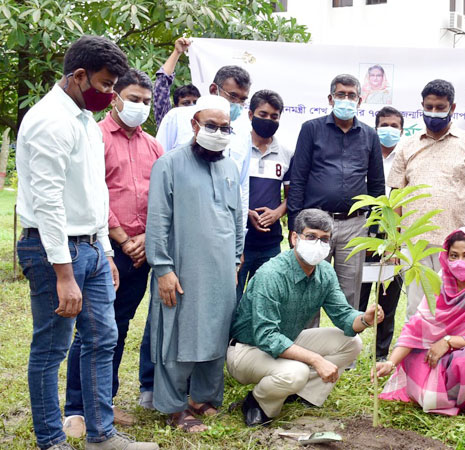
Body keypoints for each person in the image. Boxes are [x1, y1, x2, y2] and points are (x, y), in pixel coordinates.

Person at [16, 35, 158, 450]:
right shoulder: (49, 121)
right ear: (79, 76)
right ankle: (51, 440)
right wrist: (64, 273)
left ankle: (102, 434)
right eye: (105, 83)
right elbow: (48, 202)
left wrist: (105, 252)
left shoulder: (81, 120)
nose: (110, 93)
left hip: (92, 248)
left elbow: (95, 195)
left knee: (102, 339)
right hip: (52, 249)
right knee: (52, 348)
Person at [63, 69, 163, 436]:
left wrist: (146, 238)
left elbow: (162, 198)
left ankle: (104, 401)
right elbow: (93, 193)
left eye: (146, 101)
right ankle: (76, 408)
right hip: (106, 249)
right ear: (116, 97)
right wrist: (123, 240)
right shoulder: (95, 136)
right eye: (133, 99)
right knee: (92, 330)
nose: (140, 106)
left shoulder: (153, 146)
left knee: (118, 328)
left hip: (142, 252)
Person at [228, 208, 384, 426]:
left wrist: (365, 319)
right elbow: (267, 337)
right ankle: (257, 402)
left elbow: (344, 316)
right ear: (294, 237)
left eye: (324, 239)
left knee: (352, 343)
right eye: (311, 236)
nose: (317, 244)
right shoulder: (271, 274)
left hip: (287, 340)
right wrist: (316, 360)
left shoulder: (324, 273)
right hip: (247, 350)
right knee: (297, 371)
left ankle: (299, 393)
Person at [146, 95, 243, 433]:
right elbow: (157, 219)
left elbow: (237, 218)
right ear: (195, 125)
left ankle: (203, 398)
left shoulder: (230, 167)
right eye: (211, 125)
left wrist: (234, 261)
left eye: (224, 127)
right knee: (177, 335)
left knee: (216, 331)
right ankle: (174, 407)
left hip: (221, 270)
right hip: (181, 268)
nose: (217, 132)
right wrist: (162, 269)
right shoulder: (169, 164)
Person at [374, 227, 465, 418]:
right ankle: (452, 398)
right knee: (414, 356)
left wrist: (449, 341)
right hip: (452, 352)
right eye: (454, 256)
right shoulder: (441, 282)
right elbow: (417, 327)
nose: (460, 262)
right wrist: (391, 363)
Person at [387, 79, 465, 319]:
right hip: (415, 244)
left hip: (456, 245)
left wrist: (461, 217)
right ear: (422, 105)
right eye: (429, 107)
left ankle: (451, 356)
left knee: (455, 308)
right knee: (417, 310)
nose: (433, 113)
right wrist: (396, 240)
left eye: (440, 107)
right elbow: (396, 195)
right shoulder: (407, 146)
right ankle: (418, 357)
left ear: (452, 108)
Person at [287, 74, 385, 315]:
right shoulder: (311, 129)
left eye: (351, 95)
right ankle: (306, 347)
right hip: (314, 223)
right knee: (307, 286)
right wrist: (294, 225)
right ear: (331, 98)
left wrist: (376, 227)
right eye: (341, 95)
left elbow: (376, 184)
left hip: (354, 225)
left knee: (349, 292)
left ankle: (344, 348)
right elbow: (298, 178)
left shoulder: (370, 135)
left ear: (360, 101)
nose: (346, 99)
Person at [231, 89, 294, 300]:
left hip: (270, 243)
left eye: (274, 116)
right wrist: (245, 211)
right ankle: (230, 335)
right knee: (233, 297)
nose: (268, 120)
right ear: (250, 115)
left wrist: (277, 213)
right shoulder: (235, 148)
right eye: (263, 114)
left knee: (265, 299)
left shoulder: (286, 153)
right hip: (238, 242)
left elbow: (291, 195)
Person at [358, 106, 405, 360]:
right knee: (358, 294)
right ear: (375, 128)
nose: (389, 130)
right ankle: (349, 351)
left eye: (394, 125)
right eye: (384, 125)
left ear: (402, 129)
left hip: (394, 236)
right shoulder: (364, 153)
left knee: (389, 294)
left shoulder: (406, 155)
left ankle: (381, 353)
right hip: (365, 232)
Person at [156, 65, 251, 152]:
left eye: (242, 100)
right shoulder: (177, 118)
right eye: (233, 96)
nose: (237, 103)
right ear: (213, 90)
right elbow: (159, 158)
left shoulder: (245, 130)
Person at [153, 37, 199, 127]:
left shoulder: (208, 128)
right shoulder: (169, 123)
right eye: (186, 103)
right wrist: (177, 52)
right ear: (176, 107)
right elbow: (162, 82)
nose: (192, 106)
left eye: (195, 102)